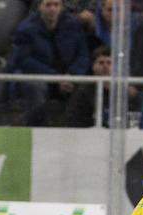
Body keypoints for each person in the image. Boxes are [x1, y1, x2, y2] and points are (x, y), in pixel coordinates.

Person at [8, 0, 90, 128]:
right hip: (38, 76)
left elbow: (83, 55)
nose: (52, 9)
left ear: (61, 7)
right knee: (35, 87)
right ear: (40, 7)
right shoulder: (26, 28)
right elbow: (24, 60)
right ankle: (36, 128)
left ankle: (77, 130)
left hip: (67, 77)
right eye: (48, 5)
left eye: (56, 5)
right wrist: (56, 77)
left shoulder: (73, 25)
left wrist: (72, 74)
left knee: (87, 87)